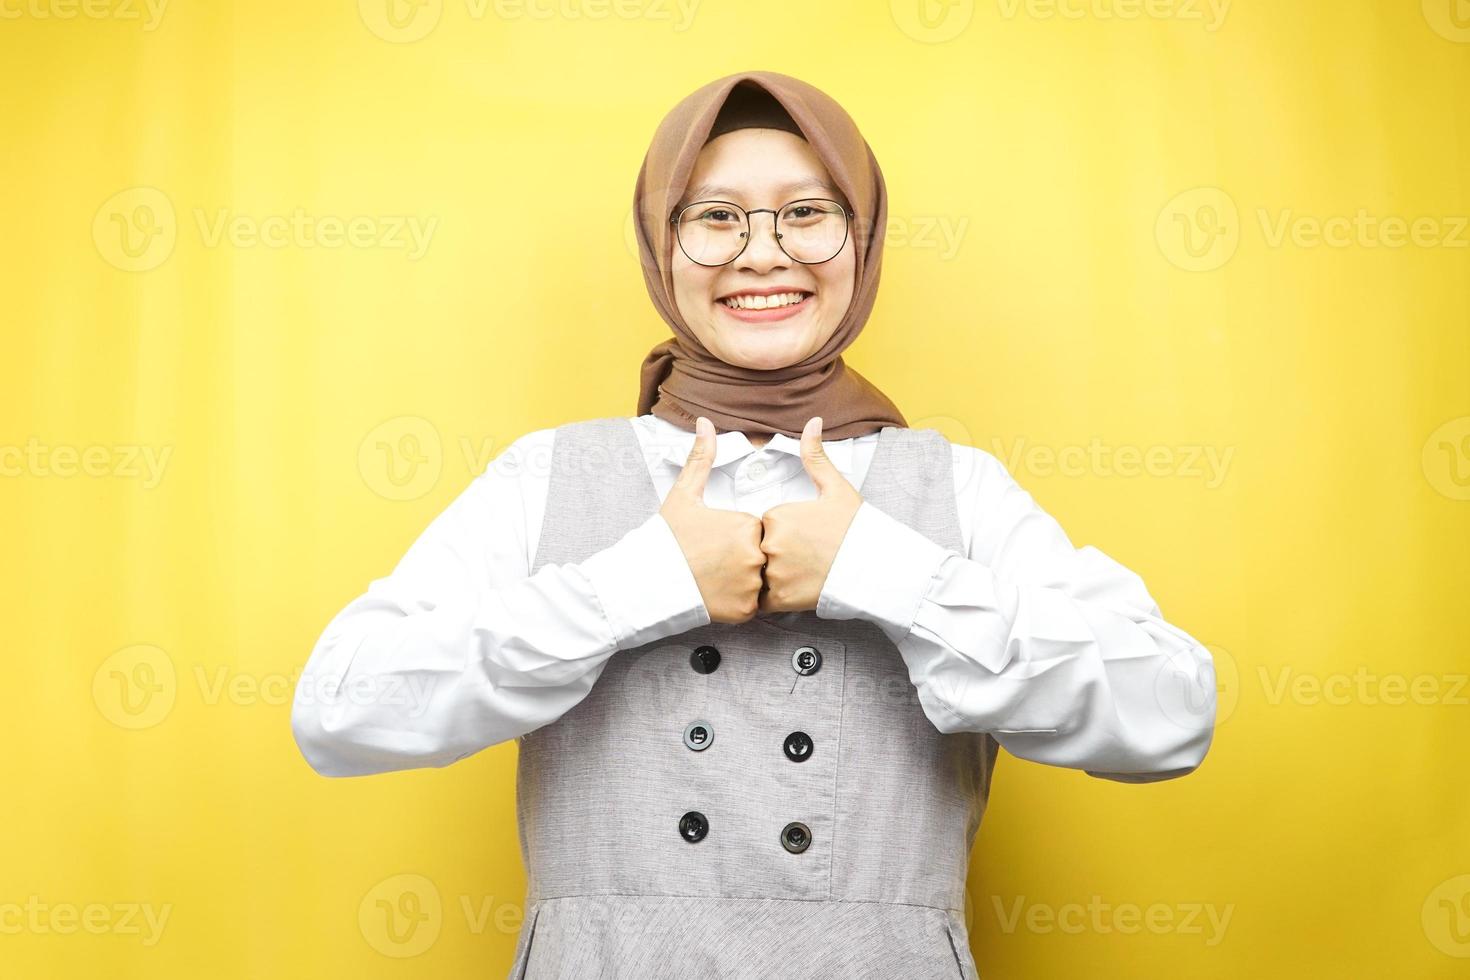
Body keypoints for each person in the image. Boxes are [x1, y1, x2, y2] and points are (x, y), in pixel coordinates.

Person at [291, 70, 1217, 980]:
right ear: (663, 245)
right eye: (715, 216)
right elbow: (339, 709)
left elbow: (1169, 716)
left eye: (808, 211)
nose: (763, 252)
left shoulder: (958, 489)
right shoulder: (545, 476)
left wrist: (885, 572)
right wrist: (640, 582)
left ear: (863, 238)